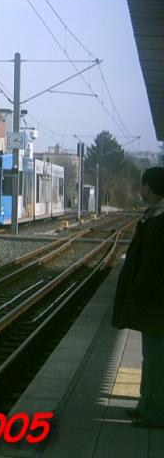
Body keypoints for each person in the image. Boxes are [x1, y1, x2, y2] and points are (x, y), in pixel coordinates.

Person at [111, 167, 164, 429]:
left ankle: (157, 412)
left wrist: (138, 290)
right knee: (149, 357)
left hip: (156, 302)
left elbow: (153, 264)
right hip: (151, 302)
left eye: (143, 186)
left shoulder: (160, 221)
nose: (141, 191)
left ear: (149, 188)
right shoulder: (153, 216)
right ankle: (146, 405)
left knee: (157, 360)